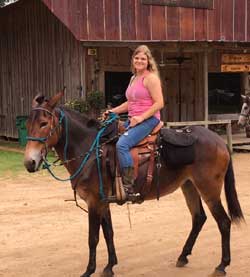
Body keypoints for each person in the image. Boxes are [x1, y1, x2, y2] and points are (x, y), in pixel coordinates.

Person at [103, 45, 164, 201]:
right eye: (137, 58)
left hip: (149, 119)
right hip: (133, 119)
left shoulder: (151, 78)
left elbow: (159, 103)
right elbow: (130, 103)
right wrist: (113, 111)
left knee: (122, 144)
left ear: (148, 61)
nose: (139, 61)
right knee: (108, 137)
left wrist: (141, 118)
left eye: (143, 58)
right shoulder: (133, 78)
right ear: (133, 60)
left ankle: (129, 186)